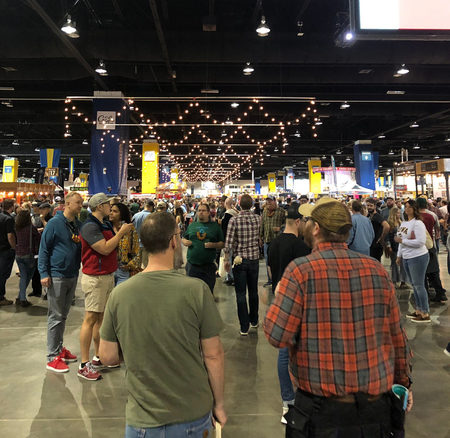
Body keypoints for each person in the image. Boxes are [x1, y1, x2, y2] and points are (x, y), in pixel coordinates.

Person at [264, 198, 413, 437]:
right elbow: (397, 336)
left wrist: (280, 295)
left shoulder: (300, 272)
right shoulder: (376, 270)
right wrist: (403, 383)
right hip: (375, 409)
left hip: (321, 411)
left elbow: (276, 335)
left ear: (316, 228)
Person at [98, 212, 226, 437]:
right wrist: (219, 405)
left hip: (142, 419)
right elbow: (213, 355)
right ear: (174, 242)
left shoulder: (120, 294)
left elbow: (107, 357)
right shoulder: (196, 290)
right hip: (192, 414)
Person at [78, 193, 133, 380]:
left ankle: (98, 356)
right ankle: (84, 364)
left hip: (107, 275)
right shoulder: (90, 226)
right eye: (109, 204)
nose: (111, 207)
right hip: (95, 278)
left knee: (101, 319)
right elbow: (105, 248)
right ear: (100, 206)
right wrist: (121, 233)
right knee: (90, 318)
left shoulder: (104, 224)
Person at [267, 204, 310, 424]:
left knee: (283, 353)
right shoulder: (302, 247)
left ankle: (288, 402)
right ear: (299, 222)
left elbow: (270, 271)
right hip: (300, 302)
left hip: (280, 299)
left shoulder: (273, 244)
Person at [38, 191, 83, 372]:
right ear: (68, 204)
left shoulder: (76, 225)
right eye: (78, 202)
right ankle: (52, 357)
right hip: (56, 276)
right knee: (55, 316)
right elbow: (44, 249)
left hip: (72, 274)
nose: (81, 205)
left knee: (63, 315)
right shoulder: (55, 224)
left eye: (81, 202)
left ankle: (59, 348)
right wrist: (43, 273)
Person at [224, 194, 261, 335]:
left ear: (239, 204)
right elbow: (259, 237)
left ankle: (244, 326)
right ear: (251, 205)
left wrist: (227, 259)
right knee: (253, 291)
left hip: (239, 260)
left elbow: (228, 243)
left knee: (240, 293)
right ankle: (254, 320)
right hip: (254, 259)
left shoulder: (234, 220)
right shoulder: (258, 219)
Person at [395, 199, 431, 323]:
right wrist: (399, 256)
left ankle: (425, 312)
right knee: (414, 286)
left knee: (419, 285)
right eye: (405, 206)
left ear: (414, 208)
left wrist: (403, 242)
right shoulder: (404, 223)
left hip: (418, 257)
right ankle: (418, 310)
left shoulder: (418, 223)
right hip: (407, 257)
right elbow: (400, 240)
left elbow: (420, 242)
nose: (407, 208)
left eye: (409, 206)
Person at [182, 203, 224, 293]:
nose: (201, 212)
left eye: (203, 210)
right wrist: (185, 242)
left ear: (208, 213)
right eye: (199, 210)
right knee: (192, 294)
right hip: (192, 266)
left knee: (208, 293)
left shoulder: (215, 227)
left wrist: (213, 245)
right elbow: (184, 238)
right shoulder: (192, 225)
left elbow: (222, 243)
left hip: (208, 267)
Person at [416, 197, 448, 303]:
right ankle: (440, 293)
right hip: (431, 245)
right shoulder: (432, 215)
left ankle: (425, 295)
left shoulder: (415, 217)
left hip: (419, 247)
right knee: (433, 270)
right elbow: (437, 227)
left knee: (421, 272)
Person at [109, 203, 141, 285]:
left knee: (120, 296)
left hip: (123, 270)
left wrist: (131, 265)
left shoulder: (130, 229)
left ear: (122, 214)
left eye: (115, 211)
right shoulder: (106, 228)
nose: (111, 213)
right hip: (108, 270)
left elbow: (136, 250)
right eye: (111, 210)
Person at [14, 209, 40, 307]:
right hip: (29, 255)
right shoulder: (31, 228)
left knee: (24, 277)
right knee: (27, 277)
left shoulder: (17, 227)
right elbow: (37, 239)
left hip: (18, 255)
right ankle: (22, 299)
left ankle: (20, 296)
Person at [260, 197, 286, 286]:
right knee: (268, 261)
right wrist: (260, 236)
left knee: (278, 260)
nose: (268, 204)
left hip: (278, 240)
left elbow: (286, 224)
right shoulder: (264, 212)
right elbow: (262, 224)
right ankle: (270, 280)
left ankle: (279, 279)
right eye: (267, 202)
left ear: (275, 202)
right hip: (267, 240)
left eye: (270, 202)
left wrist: (280, 228)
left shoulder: (281, 211)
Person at [385, 207, 408, 289]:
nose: (399, 214)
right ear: (394, 214)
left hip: (402, 246)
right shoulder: (389, 223)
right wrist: (388, 246)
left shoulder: (401, 222)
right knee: (394, 264)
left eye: (399, 213)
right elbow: (387, 236)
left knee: (403, 264)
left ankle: (403, 281)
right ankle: (394, 281)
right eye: (398, 213)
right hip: (394, 246)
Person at [0, 199, 16, 306]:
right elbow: (10, 236)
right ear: (11, 206)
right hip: (5, 250)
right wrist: (14, 248)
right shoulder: (8, 219)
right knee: (3, 275)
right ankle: (1, 297)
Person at [131, 199, 154, 268]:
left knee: (136, 265)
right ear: (151, 207)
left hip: (136, 244)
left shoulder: (136, 215)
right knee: (146, 265)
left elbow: (131, 228)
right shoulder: (151, 216)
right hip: (147, 244)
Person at [221, 198, 238, 286]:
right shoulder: (235, 213)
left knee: (228, 260)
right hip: (235, 241)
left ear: (226, 203)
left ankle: (232, 277)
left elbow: (225, 230)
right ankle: (230, 277)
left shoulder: (228, 215)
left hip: (228, 241)